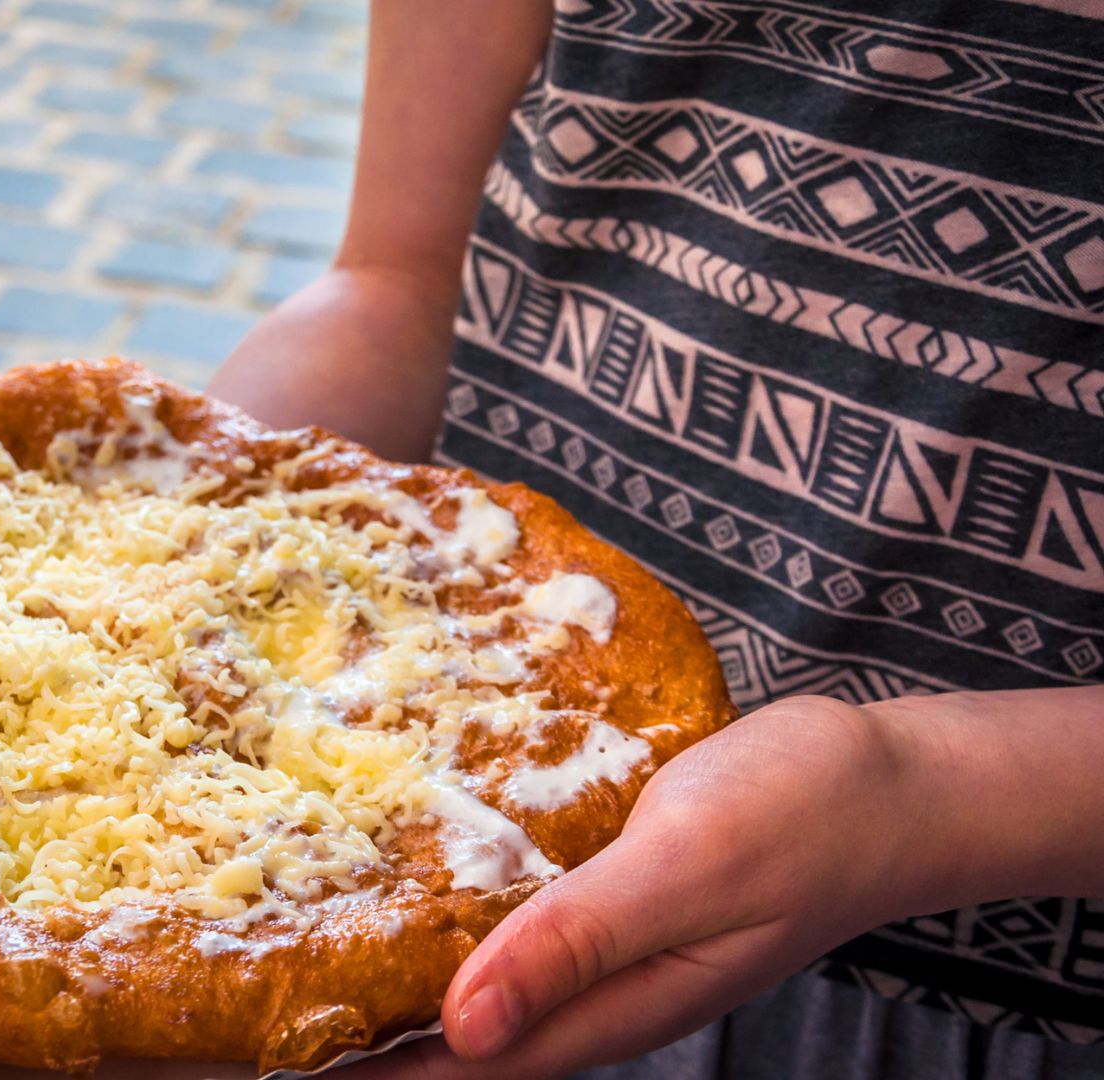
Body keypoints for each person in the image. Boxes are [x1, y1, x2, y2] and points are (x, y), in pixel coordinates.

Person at [207, 1, 1104, 1076]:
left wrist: (916, 791)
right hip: (470, 871)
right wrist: (193, 526)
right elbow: (397, 281)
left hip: (1019, 1005)